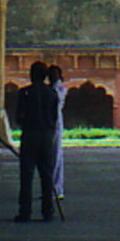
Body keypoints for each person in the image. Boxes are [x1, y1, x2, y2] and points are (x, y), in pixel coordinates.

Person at [15, 60, 60, 223]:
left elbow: (19, 117)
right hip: (46, 136)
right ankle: (48, 210)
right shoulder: (52, 94)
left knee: (26, 175)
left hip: (30, 135)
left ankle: (25, 211)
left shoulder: (25, 92)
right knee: (46, 174)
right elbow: (54, 118)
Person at [47, 63, 66, 208]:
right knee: (49, 159)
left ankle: (57, 189)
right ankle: (51, 188)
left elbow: (56, 102)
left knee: (55, 158)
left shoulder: (59, 89)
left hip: (55, 126)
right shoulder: (51, 89)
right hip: (49, 126)